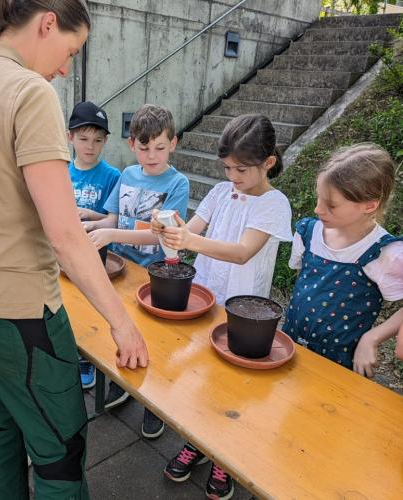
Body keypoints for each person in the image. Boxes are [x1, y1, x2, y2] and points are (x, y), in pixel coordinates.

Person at [0, 2, 148, 499]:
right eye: (70, 50)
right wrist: (122, 323)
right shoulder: (29, 91)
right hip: (21, 314)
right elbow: (65, 236)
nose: (67, 66)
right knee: (60, 450)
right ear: (47, 22)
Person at [152, 114, 292, 500]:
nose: (232, 176)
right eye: (227, 167)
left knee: (233, 388)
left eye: (241, 169)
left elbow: (243, 252)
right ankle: (198, 441)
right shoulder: (220, 192)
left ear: (268, 163)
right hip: (206, 296)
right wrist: (166, 226)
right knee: (200, 377)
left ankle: (223, 458)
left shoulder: (273, 203)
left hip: (244, 311)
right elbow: (191, 229)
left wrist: (189, 242)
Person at [84, 104, 189, 439]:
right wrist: (85, 216)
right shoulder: (127, 175)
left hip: (152, 273)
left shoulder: (178, 183)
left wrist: (111, 234)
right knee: (121, 329)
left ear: (173, 143)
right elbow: (112, 218)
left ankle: (154, 405)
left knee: (155, 342)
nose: (152, 155)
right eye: (144, 148)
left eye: (160, 147)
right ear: (132, 145)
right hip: (120, 270)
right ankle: (124, 383)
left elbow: (157, 233)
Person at [282, 143, 403, 376]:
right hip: (289, 347)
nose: (318, 209)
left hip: (338, 366)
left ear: (369, 205)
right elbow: (303, 284)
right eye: (319, 198)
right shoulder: (308, 232)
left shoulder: (386, 253)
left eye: (331, 205)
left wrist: (372, 338)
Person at [67, 100, 121, 390]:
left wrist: (90, 214)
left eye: (98, 140)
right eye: (84, 139)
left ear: (105, 142)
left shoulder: (113, 175)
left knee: (91, 306)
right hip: (62, 255)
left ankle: (88, 359)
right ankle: (68, 354)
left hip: (96, 253)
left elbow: (114, 219)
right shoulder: (60, 170)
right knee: (65, 306)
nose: (90, 146)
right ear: (70, 137)